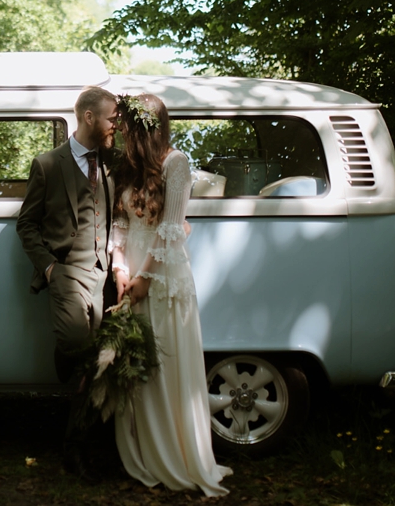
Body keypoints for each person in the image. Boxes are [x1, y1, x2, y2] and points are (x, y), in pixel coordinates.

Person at [110, 93, 231, 496]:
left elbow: (172, 228)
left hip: (164, 276)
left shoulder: (175, 164)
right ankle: (145, 452)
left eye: (128, 124)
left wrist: (145, 277)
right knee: (139, 363)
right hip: (133, 272)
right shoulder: (126, 168)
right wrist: (121, 268)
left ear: (145, 127)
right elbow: (120, 223)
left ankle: (178, 456)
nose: (122, 130)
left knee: (165, 361)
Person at [16, 85, 117, 480]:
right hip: (66, 270)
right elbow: (26, 223)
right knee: (80, 346)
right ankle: (68, 348)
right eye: (111, 119)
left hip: (107, 274)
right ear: (89, 117)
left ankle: (78, 447)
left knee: (97, 364)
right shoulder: (47, 164)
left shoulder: (115, 162)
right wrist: (48, 268)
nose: (115, 127)